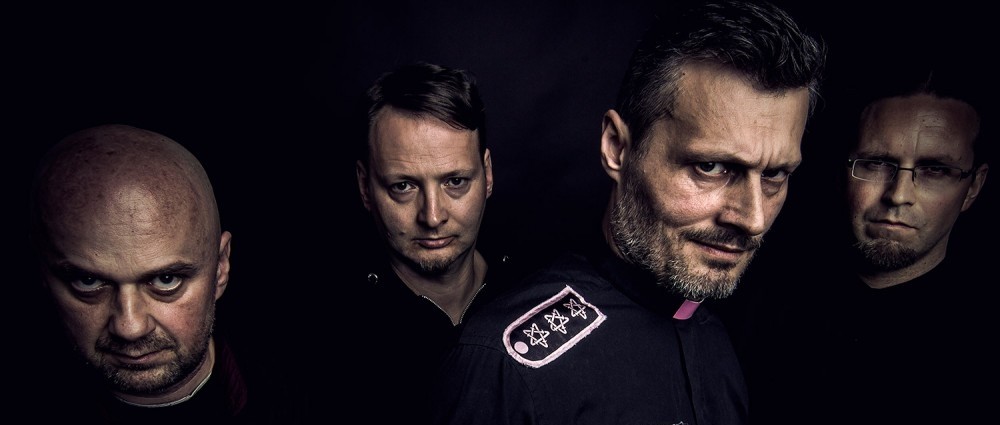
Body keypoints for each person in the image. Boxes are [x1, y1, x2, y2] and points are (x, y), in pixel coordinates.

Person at [427, 1, 825, 424]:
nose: (753, 219)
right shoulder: (505, 368)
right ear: (617, 148)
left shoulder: (720, 340)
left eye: (775, 175)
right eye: (709, 167)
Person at [26, 124, 304, 423]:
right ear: (44, 275)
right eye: (88, 282)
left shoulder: (308, 396)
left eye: (166, 280)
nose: (130, 327)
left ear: (221, 267)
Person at [349, 61, 529, 423]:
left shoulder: (536, 284)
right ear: (365, 187)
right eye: (403, 186)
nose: (432, 217)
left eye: (455, 182)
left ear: (487, 174)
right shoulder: (334, 337)